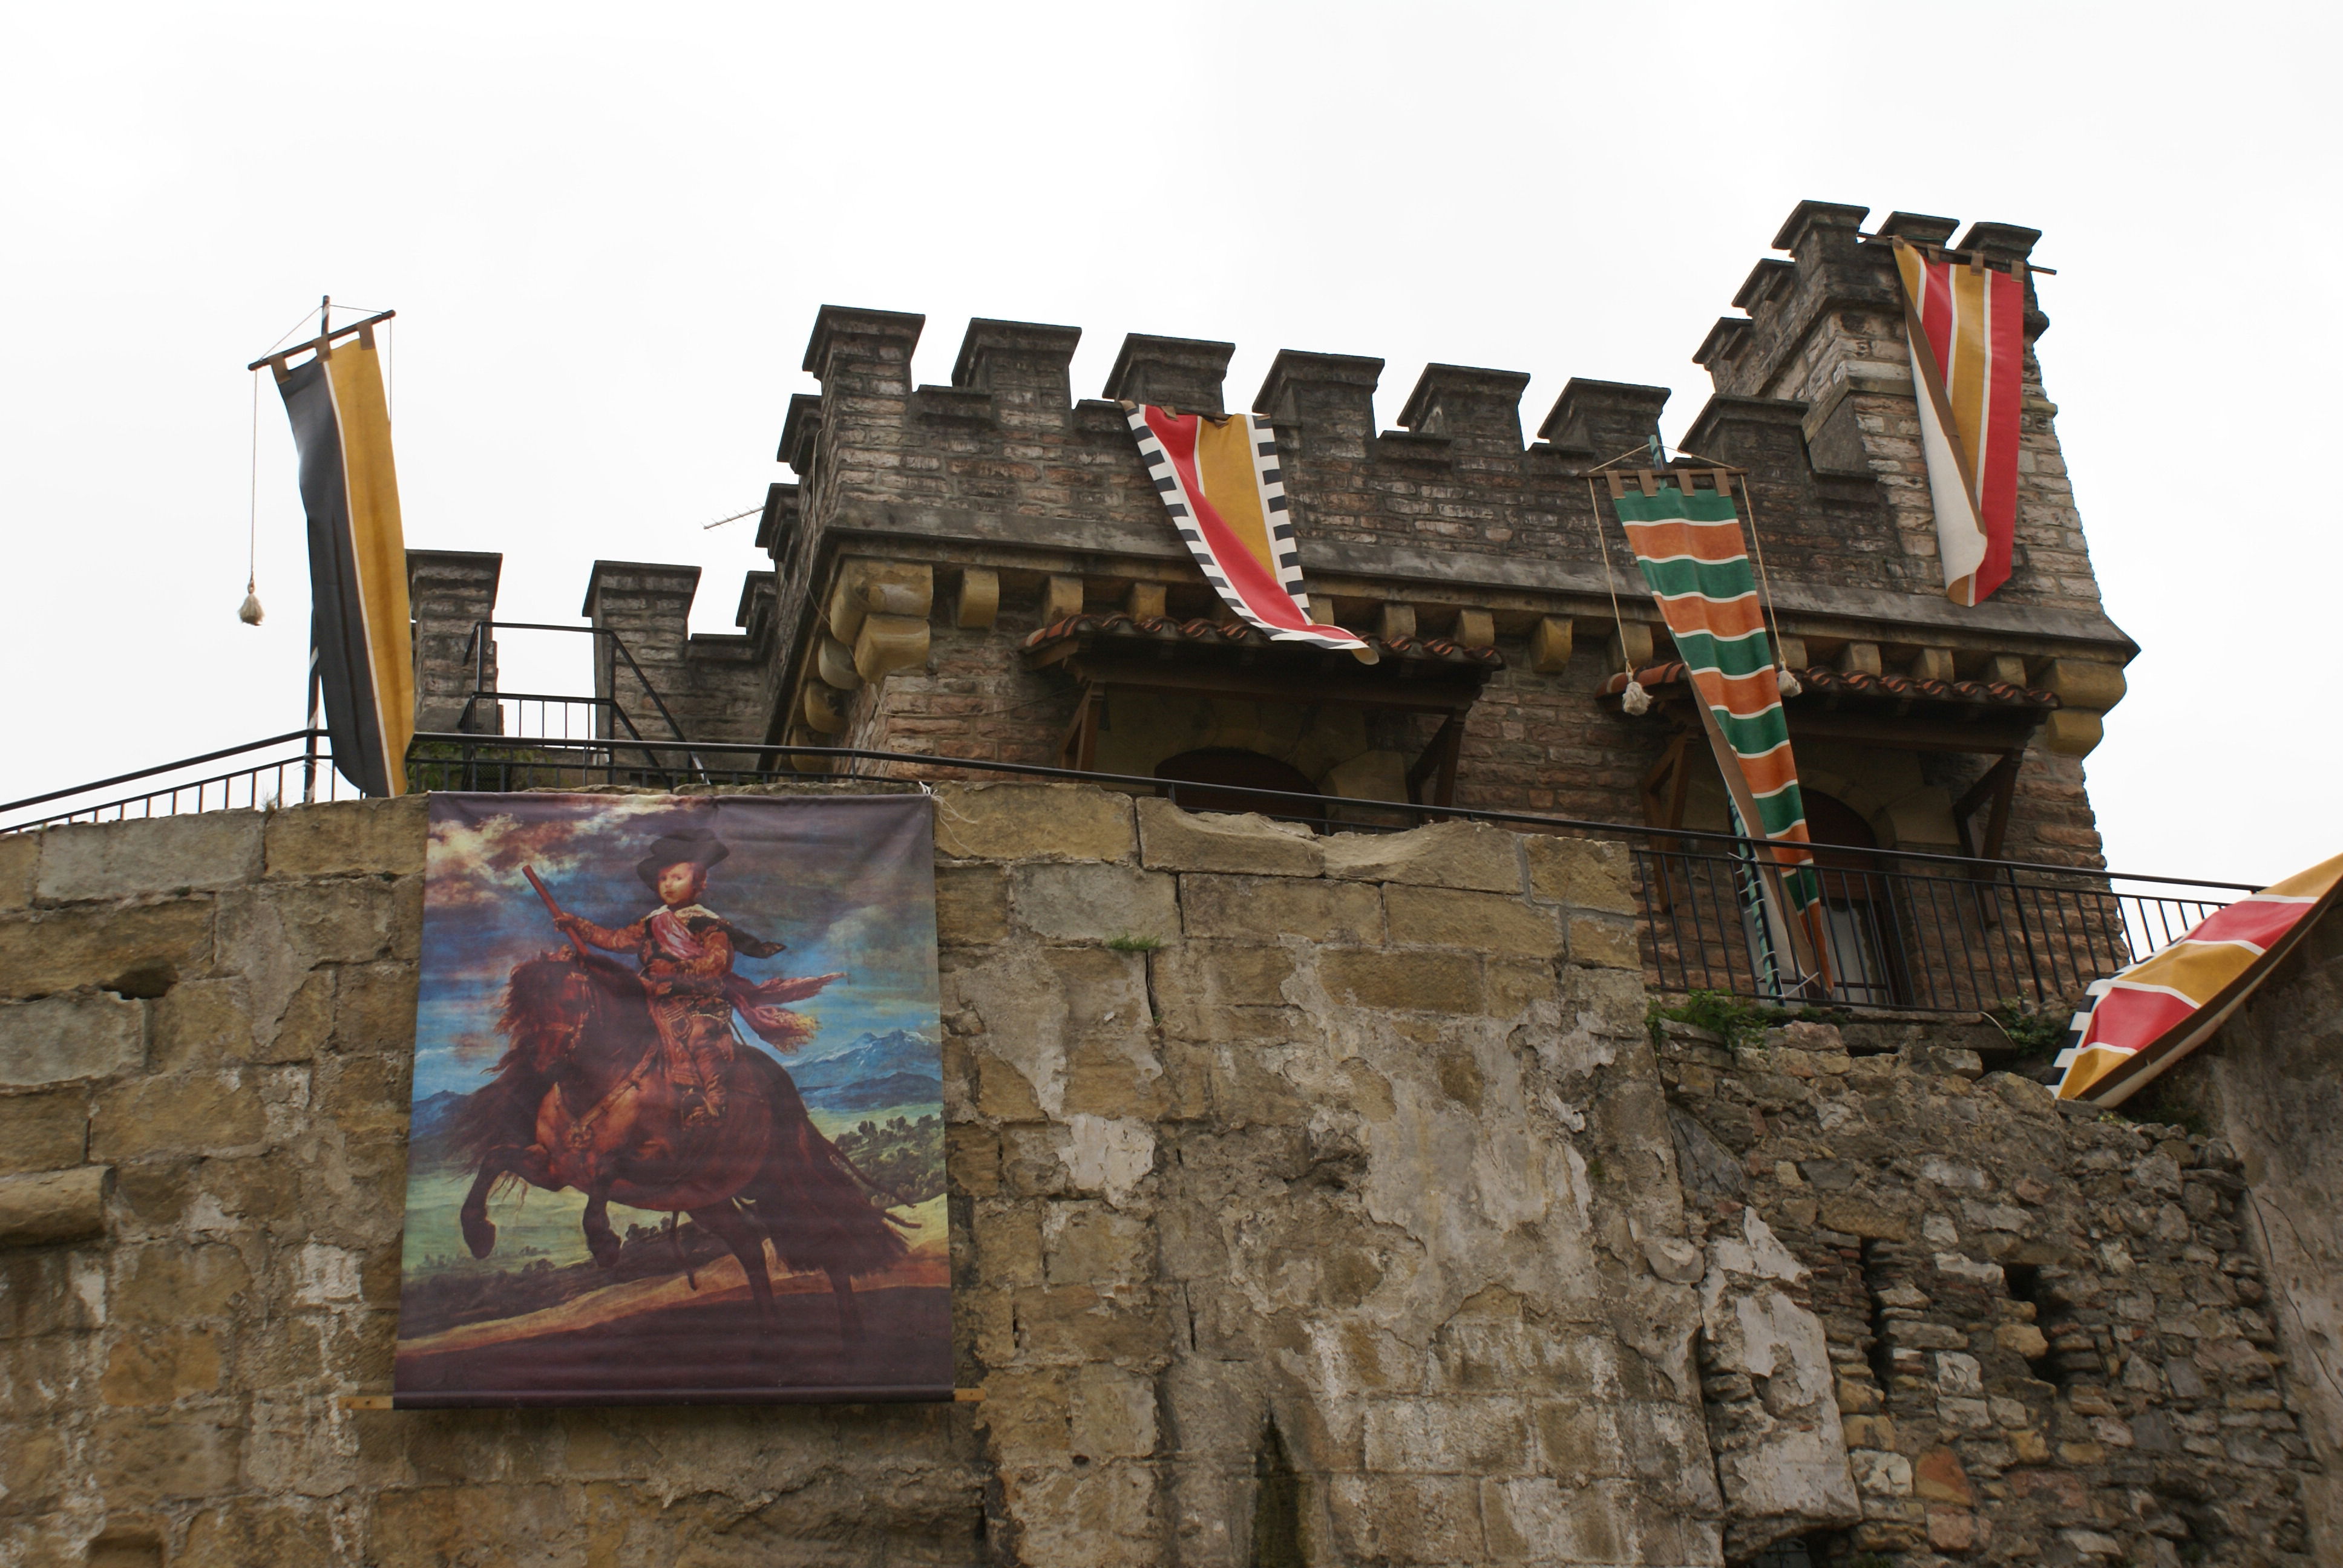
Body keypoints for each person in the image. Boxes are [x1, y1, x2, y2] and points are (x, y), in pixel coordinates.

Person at [552, 826, 818, 1126]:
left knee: (697, 1035)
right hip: (653, 998)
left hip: (697, 1000)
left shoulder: (709, 923)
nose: (668, 884)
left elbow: (716, 963)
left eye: (678, 878)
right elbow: (617, 940)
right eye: (664, 878)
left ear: (700, 883)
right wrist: (578, 926)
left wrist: (674, 973)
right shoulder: (653, 921)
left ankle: (714, 1103)